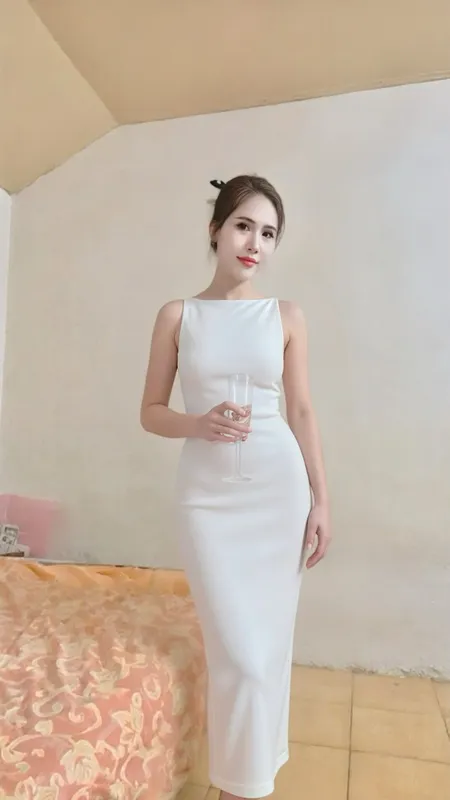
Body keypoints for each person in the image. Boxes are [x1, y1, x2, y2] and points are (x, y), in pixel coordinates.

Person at [140, 175, 331, 800]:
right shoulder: (178, 315)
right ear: (215, 230)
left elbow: (301, 410)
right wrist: (198, 423)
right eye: (244, 226)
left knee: (264, 655)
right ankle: (244, 778)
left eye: (268, 233)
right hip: (207, 501)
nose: (255, 244)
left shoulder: (286, 316)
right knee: (238, 656)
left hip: (279, 495)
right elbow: (150, 412)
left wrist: (321, 502)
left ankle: (241, 787)